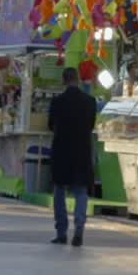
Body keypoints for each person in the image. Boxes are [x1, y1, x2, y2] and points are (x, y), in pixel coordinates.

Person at [48, 67, 97, 248]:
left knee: (59, 191)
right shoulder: (90, 102)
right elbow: (91, 125)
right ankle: (79, 229)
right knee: (81, 192)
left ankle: (61, 232)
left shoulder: (57, 102)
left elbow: (51, 125)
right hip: (82, 152)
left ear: (64, 80)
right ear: (77, 79)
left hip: (62, 151)